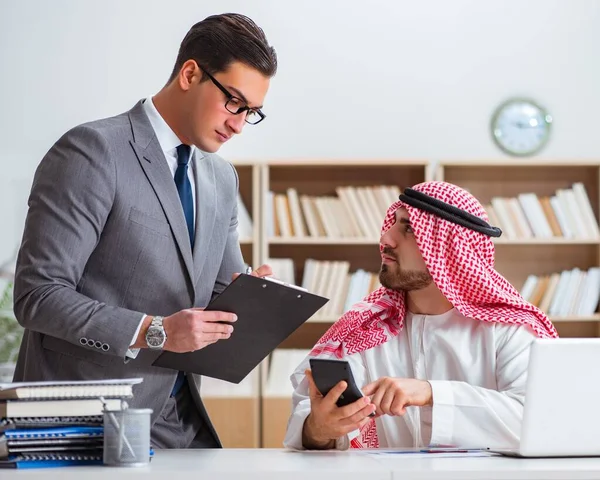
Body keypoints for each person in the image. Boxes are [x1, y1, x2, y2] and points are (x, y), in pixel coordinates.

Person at [12, 13, 277, 449]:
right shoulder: (93, 151)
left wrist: (251, 298)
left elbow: (212, 298)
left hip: (177, 423)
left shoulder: (222, 178)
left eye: (251, 112)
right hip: (87, 420)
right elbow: (37, 296)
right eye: (234, 102)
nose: (238, 124)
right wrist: (155, 331)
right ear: (191, 73)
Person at [284, 181, 558, 450]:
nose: (385, 239)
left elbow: (541, 420)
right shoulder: (364, 325)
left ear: (450, 250)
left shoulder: (508, 330)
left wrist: (430, 393)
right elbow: (310, 415)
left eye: (410, 229)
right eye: (392, 224)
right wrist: (318, 430)